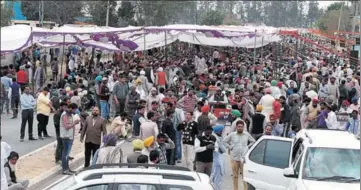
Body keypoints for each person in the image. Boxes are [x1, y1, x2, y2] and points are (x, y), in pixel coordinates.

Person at [224, 120, 255, 190]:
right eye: (239, 127)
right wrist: (230, 147)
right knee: (235, 176)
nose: (240, 128)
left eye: (241, 127)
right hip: (234, 158)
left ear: (243, 127)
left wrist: (248, 147)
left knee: (245, 177)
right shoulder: (232, 135)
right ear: (236, 127)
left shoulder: (246, 134)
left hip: (243, 159)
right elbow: (224, 141)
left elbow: (253, 142)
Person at [60, 103, 80, 175]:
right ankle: (65, 169)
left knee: (67, 154)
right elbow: (66, 126)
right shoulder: (65, 115)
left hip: (70, 136)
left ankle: (67, 168)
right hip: (66, 137)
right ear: (71, 108)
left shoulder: (70, 114)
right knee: (65, 154)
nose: (75, 111)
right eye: (74, 109)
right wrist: (74, 123)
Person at [210, 125, 226, 190]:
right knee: (217, 179)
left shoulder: (216, 137)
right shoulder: (216, 139)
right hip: (217, 161)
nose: (222, 132)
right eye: (222, 131)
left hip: (216, 160)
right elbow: (223, 149)